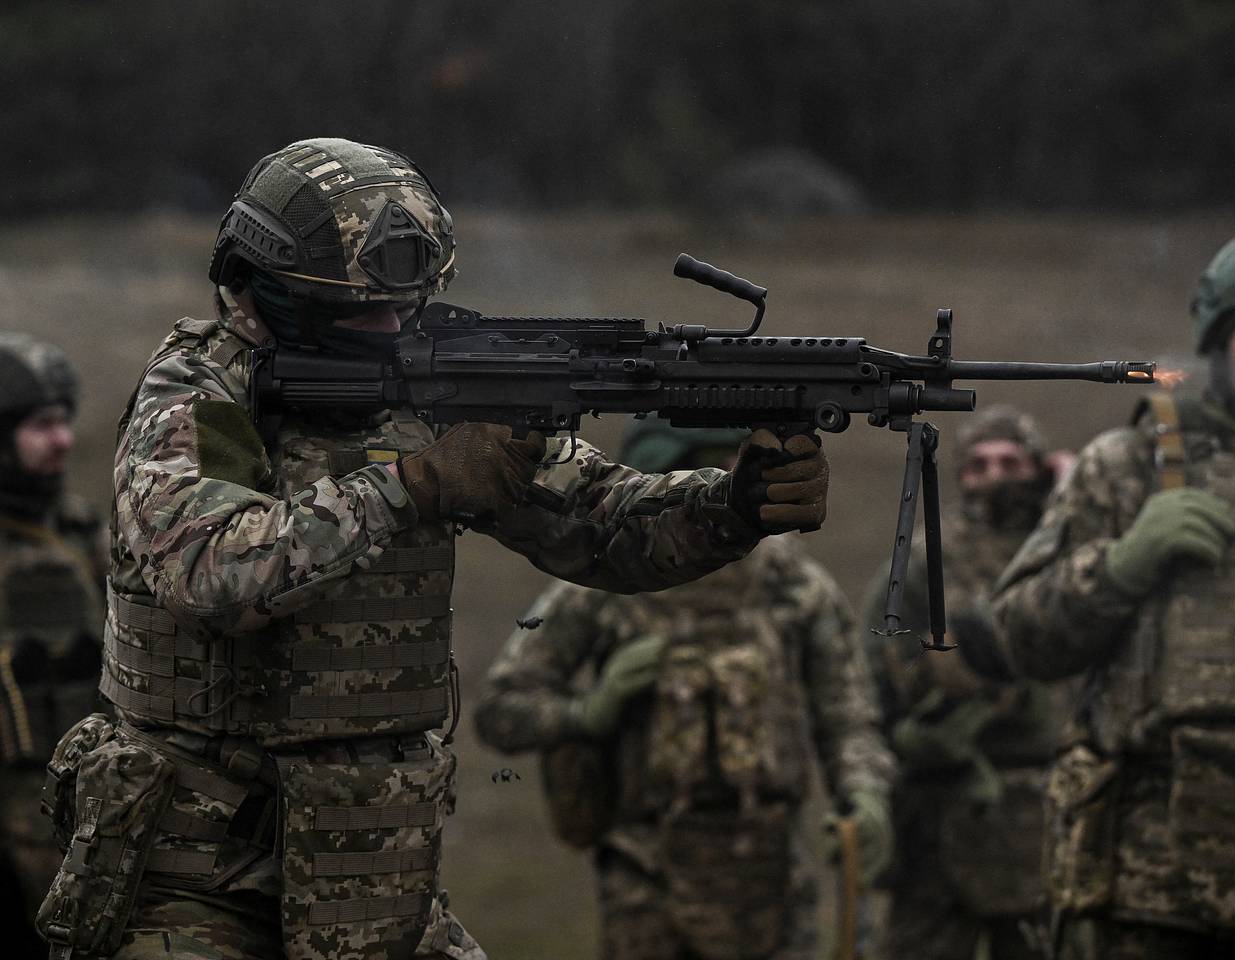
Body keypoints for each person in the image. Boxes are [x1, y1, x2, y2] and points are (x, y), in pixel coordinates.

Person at [36, 138, 830, 960]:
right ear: (275, 291)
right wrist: (410, 486)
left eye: (406, 305)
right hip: (195, 888)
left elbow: (603, 524)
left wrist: (733, 505)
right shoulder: (201, 395)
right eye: (362, 310)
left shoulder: (428, 384)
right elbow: (211, 570)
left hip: (375, 889)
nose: (391, 328)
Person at [474, 419, 893, 960]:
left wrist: (864, 793)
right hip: (647, 878)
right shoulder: (602, 586)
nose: (715, 483)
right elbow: (500, 709)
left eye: (728, 470)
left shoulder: (792, 585)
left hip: (770, 878)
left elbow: (847, 715)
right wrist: (589, 712)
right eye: (699, 470)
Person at [975, 226, 1235, 959]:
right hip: (1146, 894)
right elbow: (1016, 635)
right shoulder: (1130, 467)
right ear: (1218, 343)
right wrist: (1121, 565)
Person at [858, 406, 1071, 960]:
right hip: (941, 804)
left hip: (1047, 803)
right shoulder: (925, 558)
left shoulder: (1067, 555)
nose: (995, 475)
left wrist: (1070, 496)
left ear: (1038, 469)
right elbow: (876, 666)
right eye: (978, 464)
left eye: (1010, 461)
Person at [0, 335, 105, 953]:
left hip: (73, 824)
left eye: (64, 422)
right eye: (42, 425)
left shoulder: (78, 529)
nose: (62, 440)